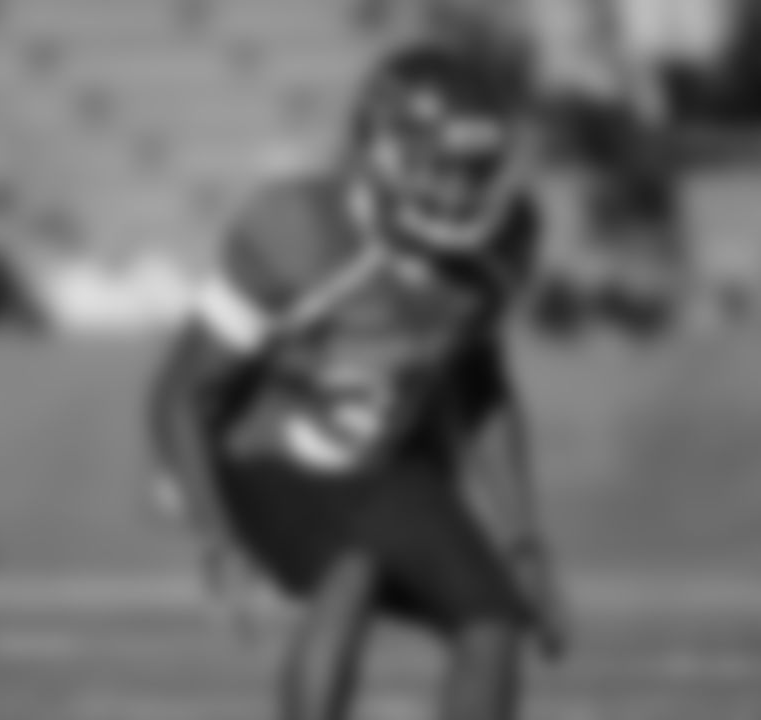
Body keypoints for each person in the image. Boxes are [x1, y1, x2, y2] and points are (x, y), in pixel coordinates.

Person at [149, 38, 567, 720]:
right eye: (443, 168)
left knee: (492, 622)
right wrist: (213, 532)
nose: (462, 191)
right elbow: (182, 393)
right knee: (353, 564)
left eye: (477, 171)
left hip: (386, 465)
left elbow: (478, 378)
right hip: (263, 456)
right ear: (384, 151)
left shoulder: (503, 244)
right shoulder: (299, 228)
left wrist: (522, 536)